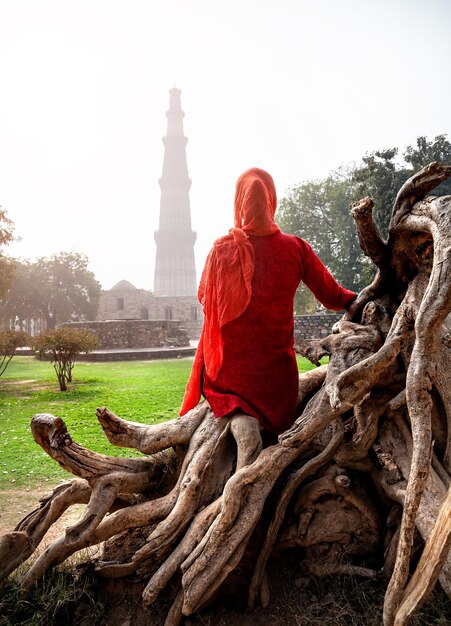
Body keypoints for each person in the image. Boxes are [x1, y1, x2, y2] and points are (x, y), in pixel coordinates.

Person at [180, 167, 356, 455]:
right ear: (271, 201)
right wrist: (363, 298)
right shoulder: (295, 248)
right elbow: (334, 297)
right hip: (277, 387)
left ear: (239, 202)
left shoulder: (221, 252)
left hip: (229, 382)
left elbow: (209, 308)